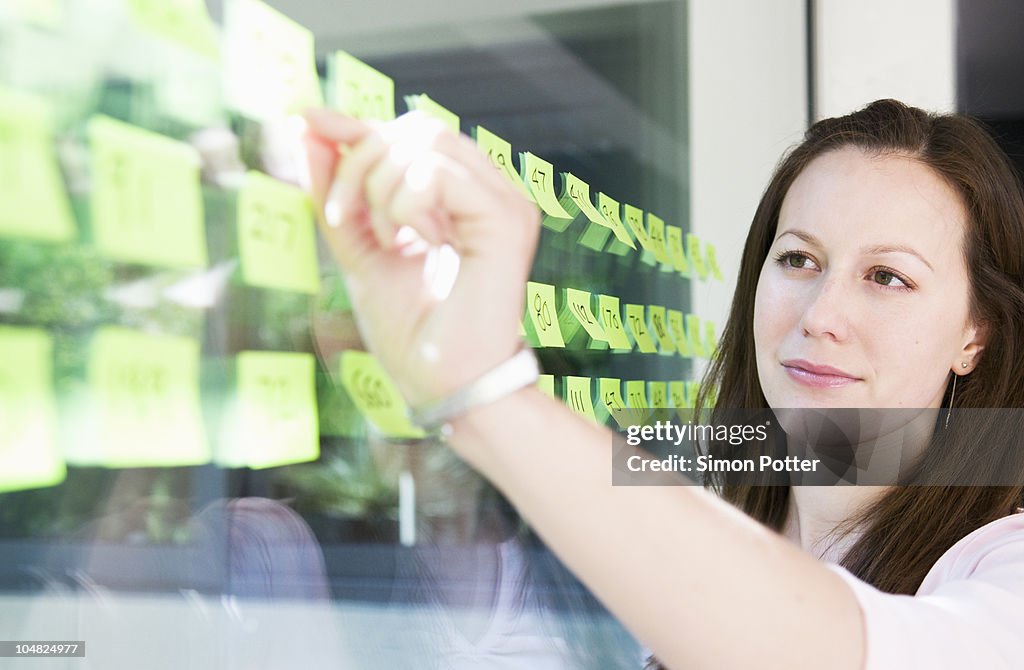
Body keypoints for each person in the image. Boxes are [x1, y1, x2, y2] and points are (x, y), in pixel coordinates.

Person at [301, 99, 1024, 669]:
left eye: (887, 277)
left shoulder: (1005, 564)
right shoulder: (718, 487)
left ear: (975, 334)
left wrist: (483, 388)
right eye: (799, 260)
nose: (821, 315)